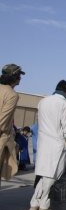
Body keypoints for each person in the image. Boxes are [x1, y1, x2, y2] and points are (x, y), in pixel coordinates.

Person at [30, 80, 66, 210]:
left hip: (43, 143)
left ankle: (34, 203)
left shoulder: (43, 101)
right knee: (53, 176)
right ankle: (44, 205)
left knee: (43, 175)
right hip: (58, 144)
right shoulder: (64, 104)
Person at [0, 64, 24, 195]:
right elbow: (2, 122)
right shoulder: (11, 95)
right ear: (14, 77)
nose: (20, 78)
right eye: (19, 75)